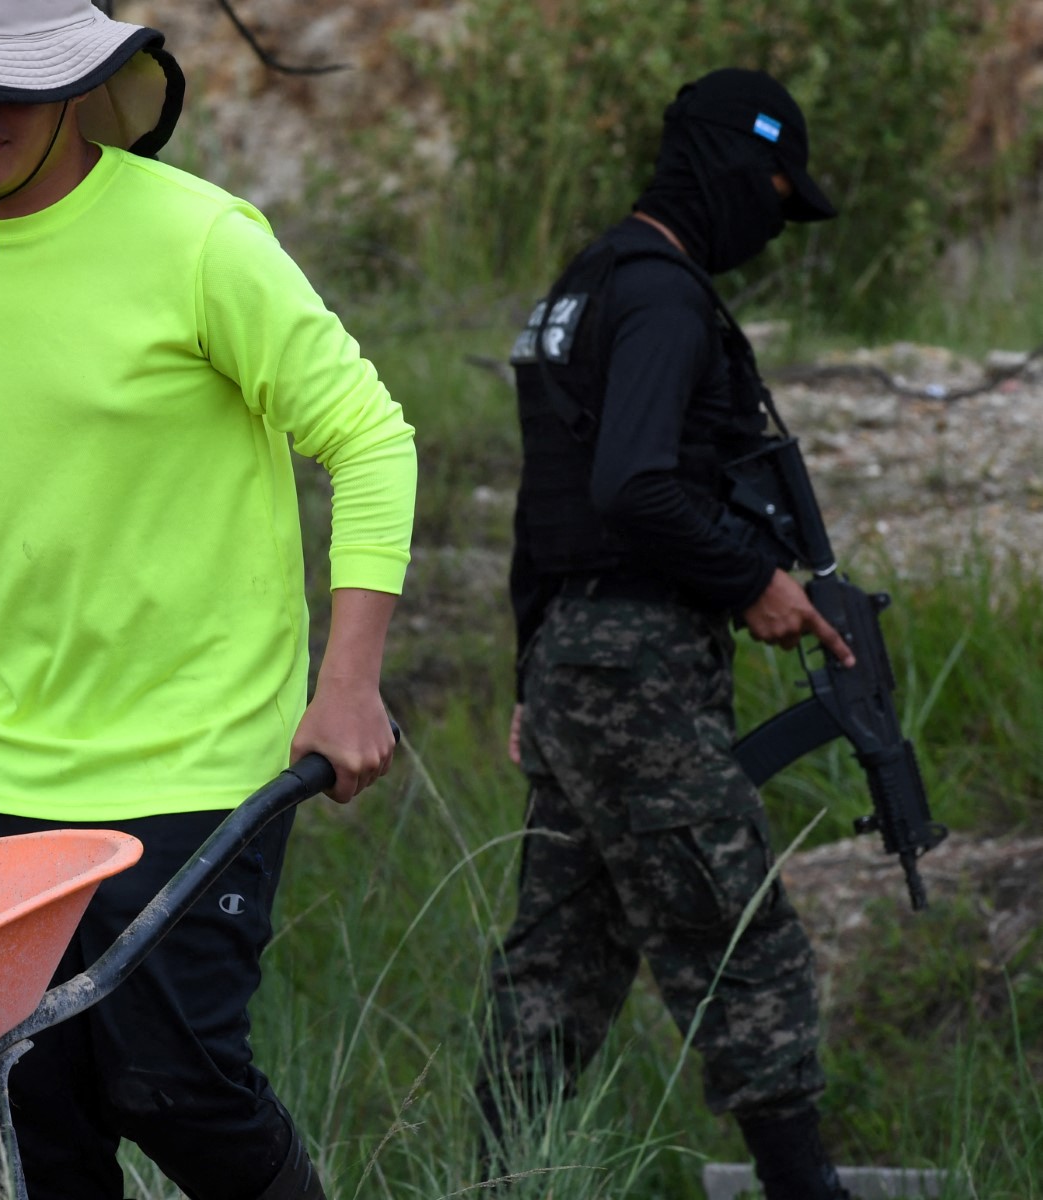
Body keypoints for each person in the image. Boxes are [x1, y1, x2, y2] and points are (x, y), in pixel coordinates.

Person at [0, 4, 417, 1198]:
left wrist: (347, 683)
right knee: (18, 1112)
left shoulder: (200, 241)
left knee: (179, 1089)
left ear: (77, 88)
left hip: (194, 757)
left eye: (6, 87)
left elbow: (370, 440)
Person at [478, 69, 857, 1200]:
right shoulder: (663, 298)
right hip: (636, 672)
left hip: (577, 662)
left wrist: (529, 674)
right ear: (738, 170)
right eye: (775, 194)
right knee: (739, 941)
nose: (771, 225)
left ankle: (499, 1182)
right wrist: (757, 582)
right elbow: (636, 484)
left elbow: (546, 504)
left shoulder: (589, 284)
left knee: (558, 962)